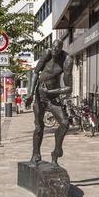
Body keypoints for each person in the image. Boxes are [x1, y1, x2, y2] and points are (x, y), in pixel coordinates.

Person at [27, 39, 73, 167]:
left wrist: (52, 91)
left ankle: (57, 151)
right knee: (38, 126)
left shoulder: (67, 60)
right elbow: (36, 72)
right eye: (53, 47)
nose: (54, 50)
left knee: (64, 123)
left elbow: (69, 88)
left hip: (53, 97)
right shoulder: (47, 53)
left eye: (57, 49)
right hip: (40, 95)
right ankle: (36, 154)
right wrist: (30, 92)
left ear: (61, 49)